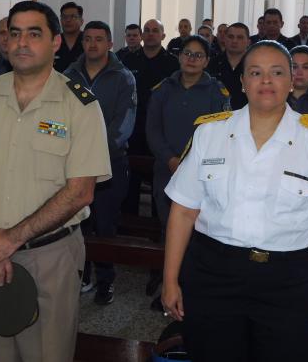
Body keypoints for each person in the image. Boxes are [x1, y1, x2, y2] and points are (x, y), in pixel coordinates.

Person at [161, 40, 308, 361]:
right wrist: (170, 281)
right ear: (243, 82)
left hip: (290, 283)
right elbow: (183, 211)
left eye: (276, 72)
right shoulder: (210, 134)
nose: (266, 81)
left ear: (292, 80)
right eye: (256, 72)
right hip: (214, 276)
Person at [0, 0, 111, 362]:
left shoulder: (79, 106)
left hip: (50, 255)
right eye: (14, 33)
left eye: (34, 34)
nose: (21, 42)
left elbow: (80, 192)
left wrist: (10, 240)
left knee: (47, 353)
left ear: (56, 42)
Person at [145, 35, 230, 307]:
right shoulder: (162, 90)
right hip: (166, 172)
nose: (191, 59)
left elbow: (222, 135)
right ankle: (168, 288)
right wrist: (170, 159)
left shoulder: (217, 93)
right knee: (168, 227)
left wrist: (191, 163)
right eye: (187, 54)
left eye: (198, 55)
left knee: (198, 235)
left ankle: (192, 290)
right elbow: (153, 130)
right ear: (179, 57)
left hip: (202, 176)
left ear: (206, 61)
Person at [64, 21, 136, 305]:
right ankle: (82, 275)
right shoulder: (69, 75)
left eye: (99, 39)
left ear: (109, 44)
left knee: (105, 225)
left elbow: (124, 123)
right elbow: (61, 118)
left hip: (110, 162)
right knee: (77, 223)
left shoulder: (123, 77)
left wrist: (95, 153)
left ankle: (106, 280)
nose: (92, 44)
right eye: (88, 39)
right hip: (73, 164)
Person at [121, 19, 179, 215]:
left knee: (160, 183)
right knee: (130, 182)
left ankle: (158, 228)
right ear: (142, 35)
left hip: (161, 129)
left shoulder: (172, 63)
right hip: (134, 128)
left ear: (163, 35)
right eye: (147, 30)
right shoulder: (129, 61)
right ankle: (127, 229)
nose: (151, 34)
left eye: (156, 30)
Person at [207, 22, 251, 110]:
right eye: (231, 37)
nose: (234, 41)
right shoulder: (212, 63)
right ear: (225, 39)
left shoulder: (255, 66)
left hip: (247, 116)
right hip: (216, 116)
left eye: (240, 37)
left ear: (248, 42)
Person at [53, 1, 85, 72]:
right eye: (64, 17)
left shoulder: (87, 41)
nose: (68, 20)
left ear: (81, 21)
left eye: (73, 17)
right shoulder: (53, 42)